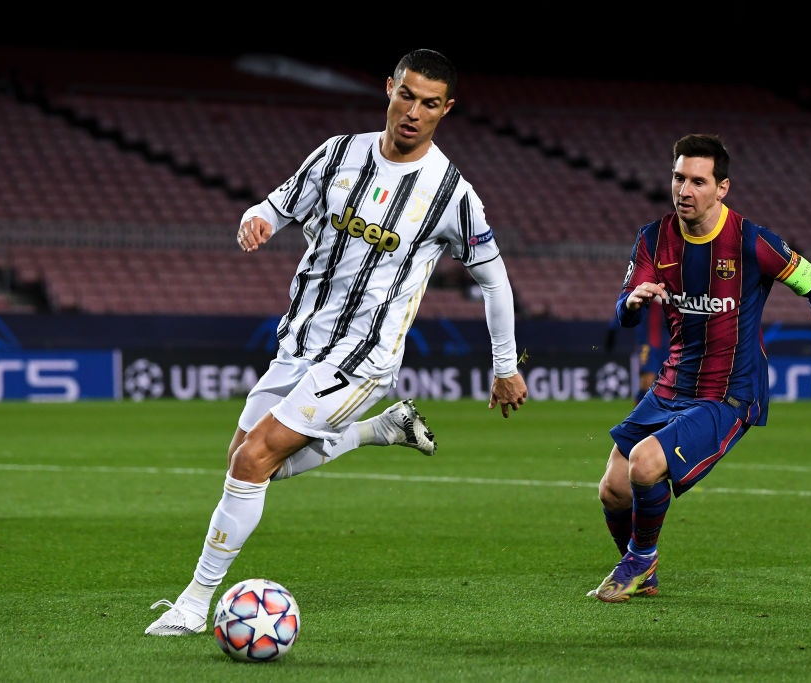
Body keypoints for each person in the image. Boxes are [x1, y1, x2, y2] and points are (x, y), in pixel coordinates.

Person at [145, 48, 529, 635]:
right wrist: (257, 220)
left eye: (429, 104)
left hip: (364, 356)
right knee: (247, 461)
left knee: (252, 460)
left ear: (446, 109)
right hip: (301, 341)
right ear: (389, 88)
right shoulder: (338, 153)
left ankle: (195, 605)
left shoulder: (452, 193)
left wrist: (505, 366)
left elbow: (494, 281)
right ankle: (379, 430)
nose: (414, 112)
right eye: (407, 95)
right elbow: (275, 206)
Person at [590, 133, 811, 603]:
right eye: (678, 178)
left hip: (730, 391)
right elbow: (625, 308)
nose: (684, 190)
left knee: (645, 463)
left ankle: (640, 558)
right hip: (673, 383)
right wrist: (631, 304)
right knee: (613, 488)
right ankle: (641, 569)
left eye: (698, 181)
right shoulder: (653, 238)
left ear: (722, 188)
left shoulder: (752, 241)